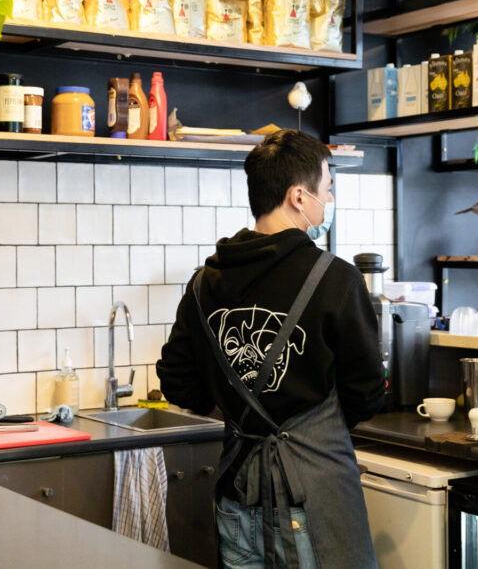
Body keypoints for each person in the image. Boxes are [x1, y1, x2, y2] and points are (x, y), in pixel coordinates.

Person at [157, 129, 385, 569]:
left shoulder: (205, 282)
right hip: (313, 497)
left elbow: (177, 380)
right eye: (328, 188)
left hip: (236, 494)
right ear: (299, 197)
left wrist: (238, 411)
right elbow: (367, 392)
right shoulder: (336, 278)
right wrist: (310, 431)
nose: (329, 199)